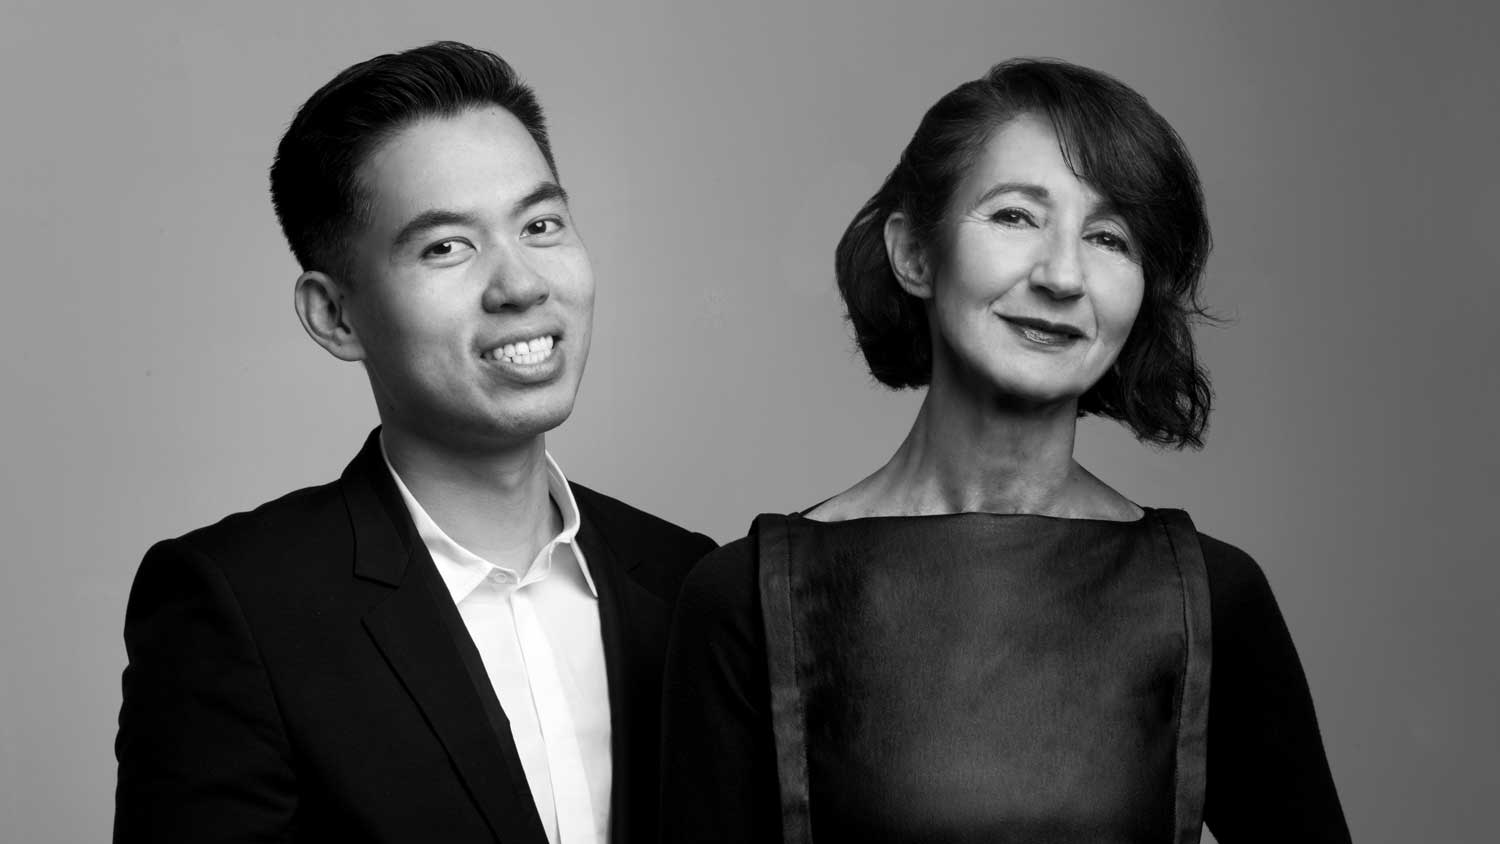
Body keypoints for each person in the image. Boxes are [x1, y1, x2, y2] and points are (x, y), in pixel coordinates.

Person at [660, 58, 1351, 842]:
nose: (1063, 275)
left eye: (1109, 237)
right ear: (915, 255)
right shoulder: (743, 597)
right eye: (1016, 217)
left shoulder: (1212, 597)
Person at [114, 41, 715, 844]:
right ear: (335, 316)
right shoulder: (239, 610)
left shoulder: (691, 584)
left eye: (541, 224)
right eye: (445, 247)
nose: (522, 285)